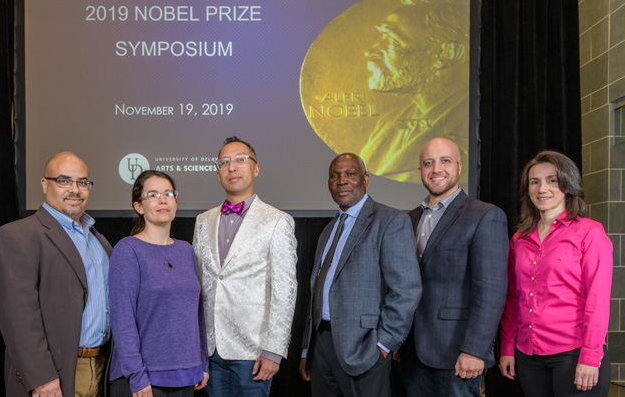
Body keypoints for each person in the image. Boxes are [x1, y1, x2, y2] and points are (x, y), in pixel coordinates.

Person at [299, 153, 422, 397]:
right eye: (334, 176)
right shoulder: (328, 230)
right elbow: (317, 291)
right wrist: (307, 349)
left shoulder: (390, 221)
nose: (341, 181)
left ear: (365, 180)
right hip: (321, 346)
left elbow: (407, 290)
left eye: (350, 174)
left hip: (364, 349)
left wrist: (384, 345)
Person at [0, 152, 112, 397]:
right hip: (55, 374)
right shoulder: (18, 236)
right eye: (64, 180)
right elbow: (18, 317)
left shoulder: (99, 241)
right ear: (45, 184)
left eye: (82, 182)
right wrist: (41, 378)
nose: (75, 189)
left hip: (100, 367)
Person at [397, 137, 508, 397]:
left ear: (459, 167)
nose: (436, 169)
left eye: (444, 161)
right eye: (428, 163)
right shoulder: (407, 219)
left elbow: (491, 291)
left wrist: (475, 349)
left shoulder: (484, 215)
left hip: (459, 352)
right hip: (412, 353)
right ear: (420, 171)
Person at [499, 151, 612, 396]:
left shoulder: (589, 232)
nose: (542, 189)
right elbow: (513, 298)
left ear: (567, 184)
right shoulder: (519, 239)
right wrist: (508, 346)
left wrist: (591, 357)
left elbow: (598, 300)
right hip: (528, 354)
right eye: (534, 182)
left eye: (552, 180)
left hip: (573, 354)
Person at [192, 136, 297, 397]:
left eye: (240, 160)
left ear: (256, 168)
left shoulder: (277, 221)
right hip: (211, 350)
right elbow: (198, 284)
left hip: (254, 352)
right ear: (218, 173)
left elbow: (285, 290)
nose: (232, 167)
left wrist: (274, 350)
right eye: (224, 162)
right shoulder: (203, 221)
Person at [108, 170, 209, 397]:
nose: (163, 200)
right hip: (143, 380)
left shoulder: (186, 250)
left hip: (186, 375)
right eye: (152, 194)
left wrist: (202, 363)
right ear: (139, 206)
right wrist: (136, 375)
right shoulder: (128, 250)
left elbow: (197, 313)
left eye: (168, 193)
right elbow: (122, 319)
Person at [359, 0, 469, 183]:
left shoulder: (463, 129)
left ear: (447, 53)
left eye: (392, 40)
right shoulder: (387, 126)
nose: (371, 51)